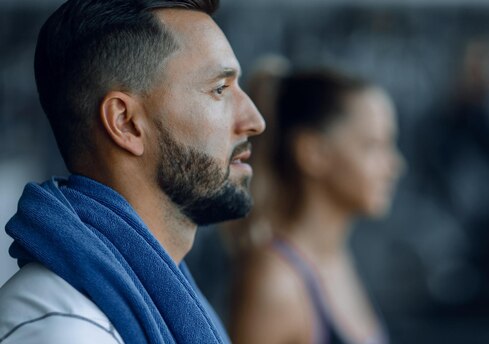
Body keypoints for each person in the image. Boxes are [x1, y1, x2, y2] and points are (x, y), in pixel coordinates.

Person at [0, 0, 265, 343]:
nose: (255, 121)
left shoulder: (162, 299)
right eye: (219, 89)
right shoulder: (65, 331)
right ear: (126, 123)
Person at [228, 67, 404, 344]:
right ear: (312, 152)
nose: (394, 166)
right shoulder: (275, 283)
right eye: (373, 146)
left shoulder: (336, 256)